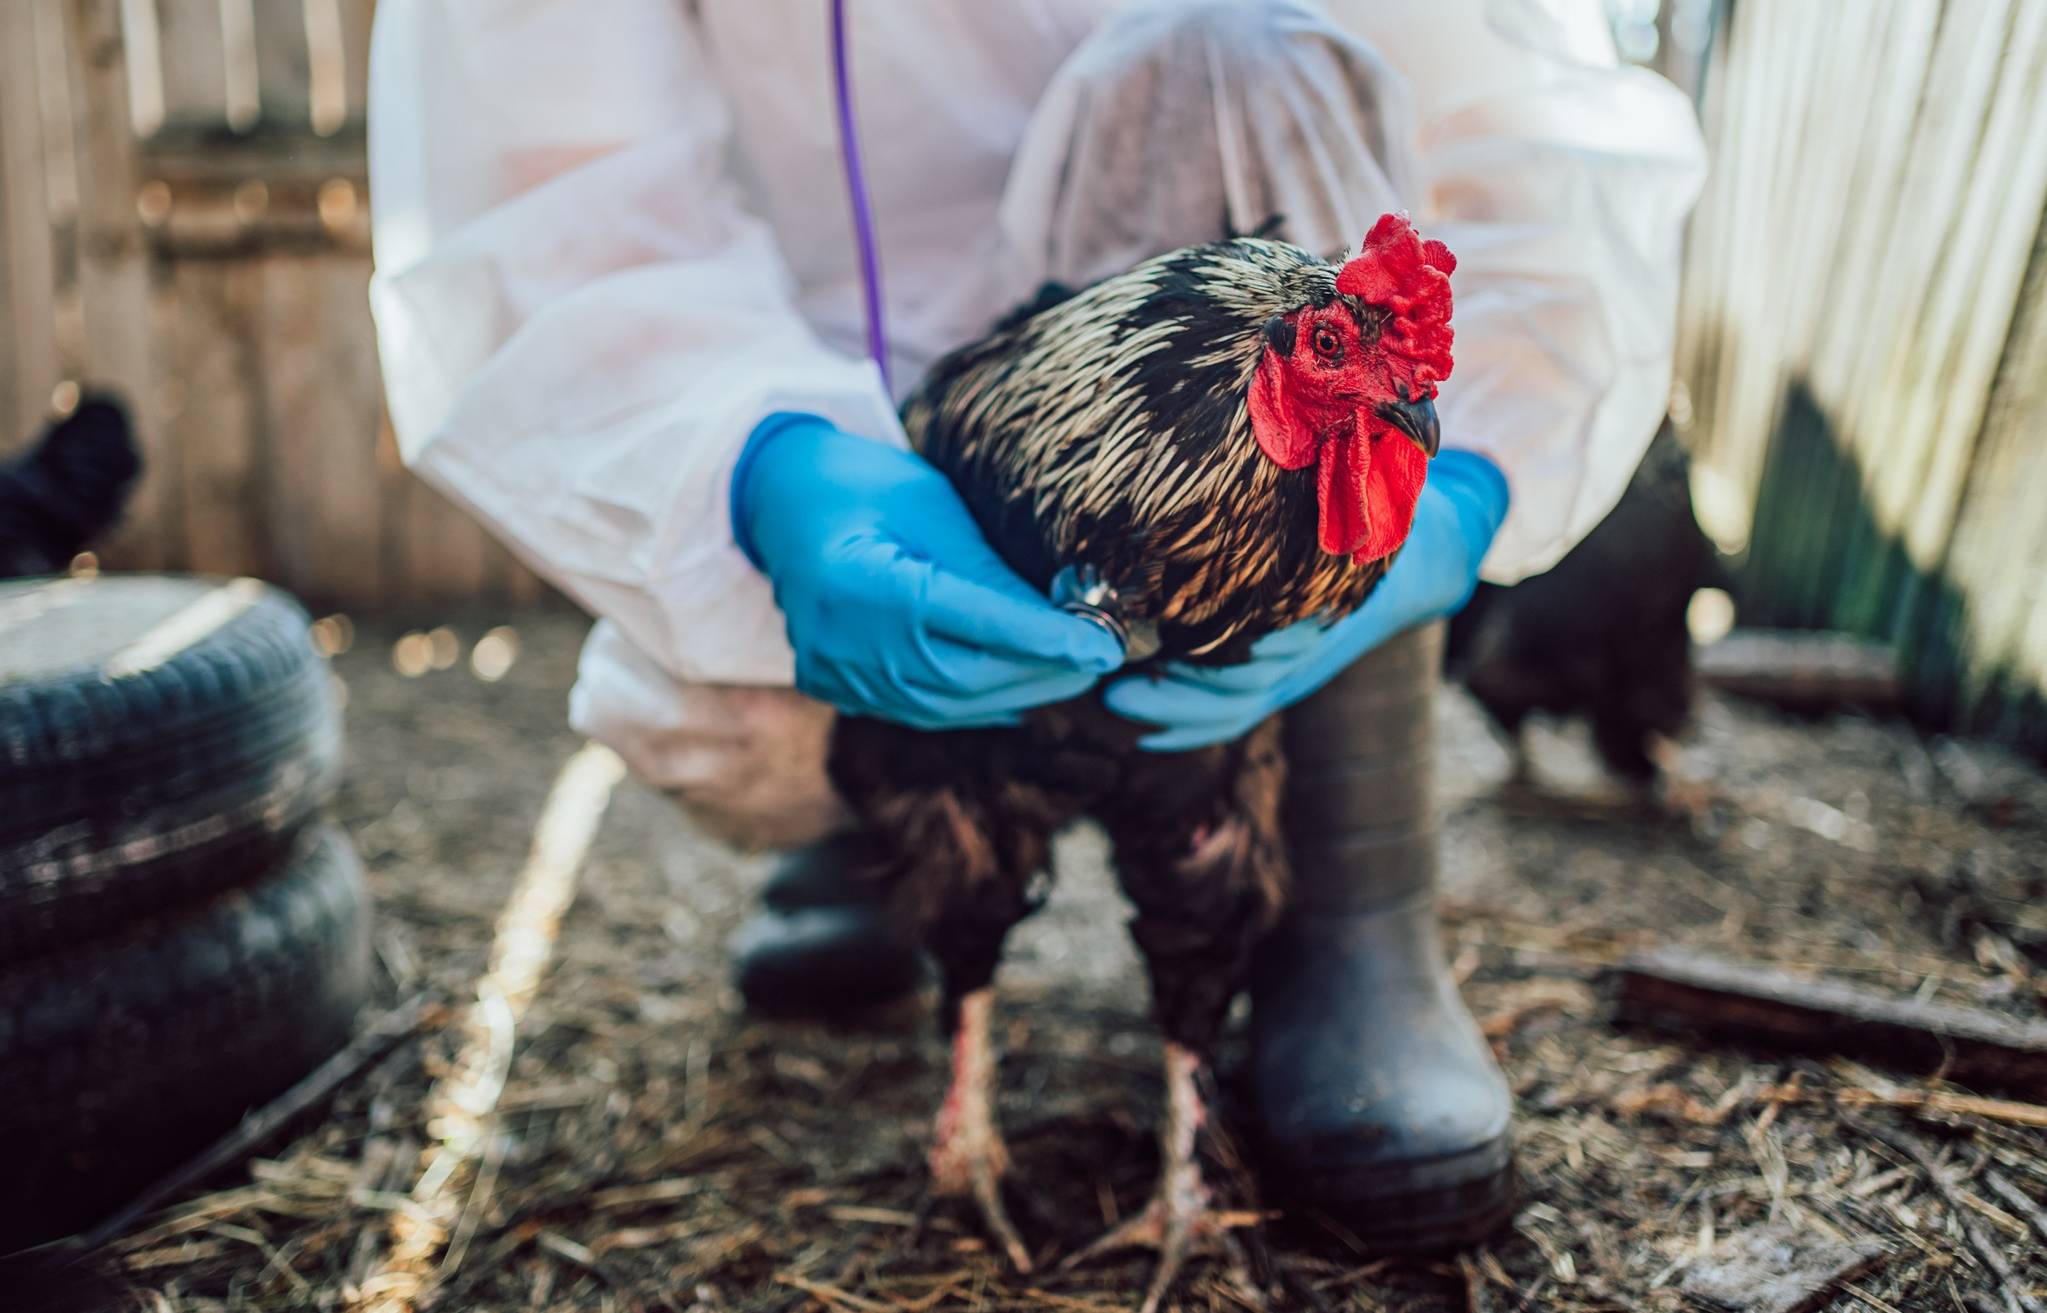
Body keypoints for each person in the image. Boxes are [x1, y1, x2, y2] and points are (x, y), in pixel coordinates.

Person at [367, 0, 1704, 1251]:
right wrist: (760, 455)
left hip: (1241, 429)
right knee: (755, 721)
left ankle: (1352, 896)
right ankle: (872, 843)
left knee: (1252, 43)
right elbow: (545, 181)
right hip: (854, 374)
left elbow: (1512, 120)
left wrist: (1467, 480)